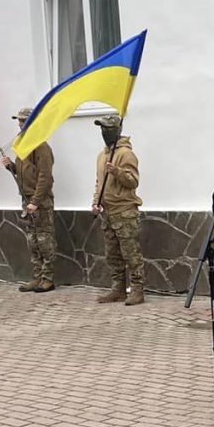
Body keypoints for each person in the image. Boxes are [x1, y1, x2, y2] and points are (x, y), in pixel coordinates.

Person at [93, 113, 145, 306]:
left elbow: (133, 181)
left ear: (116, 130)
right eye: (102, 129)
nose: (104, 132)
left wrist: (117, 172)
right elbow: (99, 183)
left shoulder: (126, 154)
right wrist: (96, 202)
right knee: (112, 254)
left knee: (131, 253)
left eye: (107, 129)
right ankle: (118, 289)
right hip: (107, 212)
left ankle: (137, 289)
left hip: (124, 212)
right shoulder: (102, 156)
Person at [2, 109, 55, 293]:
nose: (20, 124)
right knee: (32, 241)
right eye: (19, 121)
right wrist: (11, 167)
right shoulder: (23, 145)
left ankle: (48, 279)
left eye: (24, 121)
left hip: (40, 202)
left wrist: (36, 201)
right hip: (27, 200)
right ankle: (37, 277)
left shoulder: (41, 146)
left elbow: (45, 177)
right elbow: (25, 172)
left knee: (44, 241)